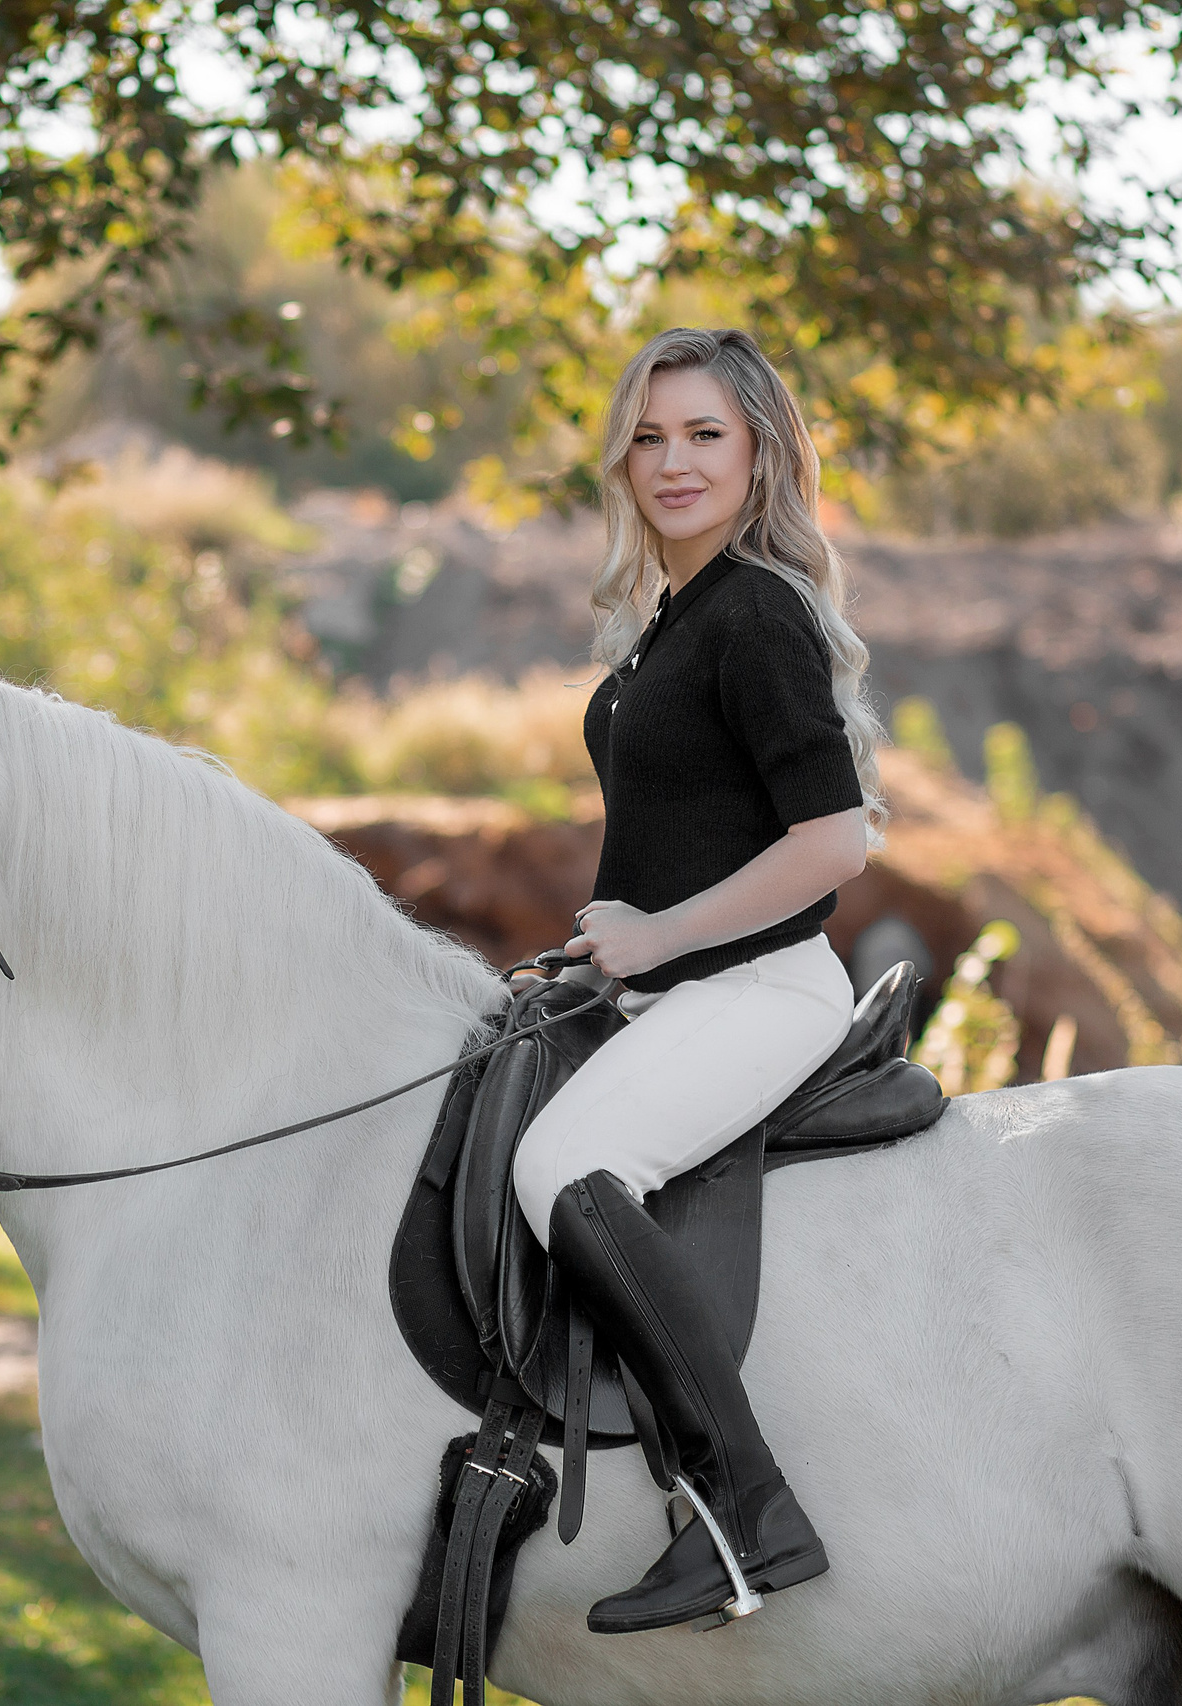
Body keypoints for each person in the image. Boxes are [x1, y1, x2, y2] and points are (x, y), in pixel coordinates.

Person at [509, 326, 888, 1634]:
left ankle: (740, 1510)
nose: (673, 461)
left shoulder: (759, 611)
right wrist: (610, 946)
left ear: (761, 453)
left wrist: (661, 938)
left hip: (763, 986)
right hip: (674, 987)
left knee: (559, 1170)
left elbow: (836, 844)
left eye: (705, 435)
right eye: (651, 435)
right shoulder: (671, 618)